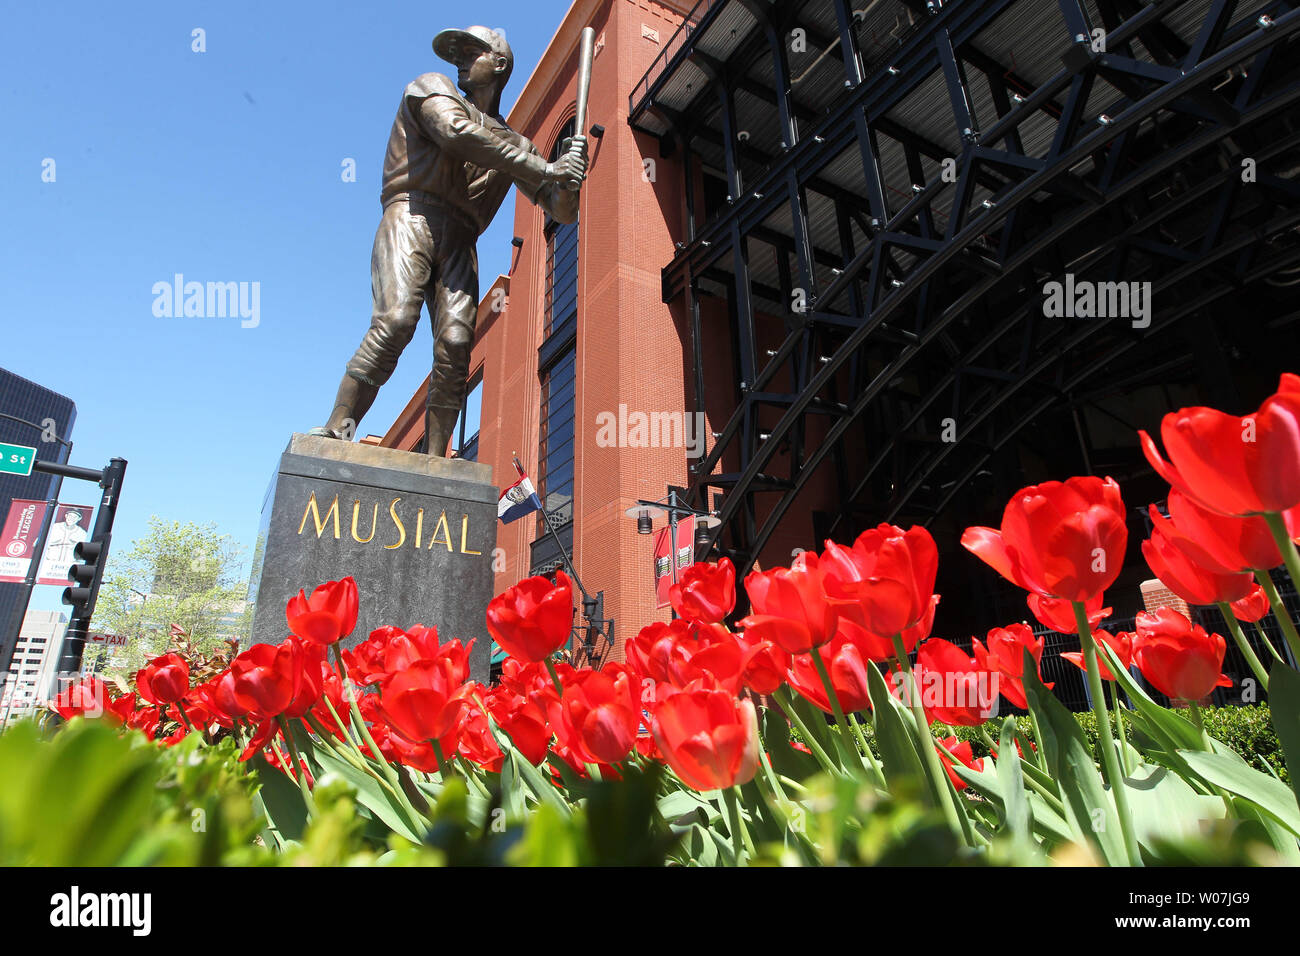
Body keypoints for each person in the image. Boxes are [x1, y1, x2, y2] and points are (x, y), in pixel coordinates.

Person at [312, 25, 588, 455]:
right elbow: (456, 132)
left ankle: (437, 463)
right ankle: (335, 431)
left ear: (498, 64)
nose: (458, 58)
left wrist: (571, 172)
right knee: (396, 322)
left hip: (461, 236)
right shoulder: (431, 87)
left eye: (470, 51)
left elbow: (563, 211)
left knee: (457, 347)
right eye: (456, 52)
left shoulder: (517, 144)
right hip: (412, 213)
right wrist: (548, 170)